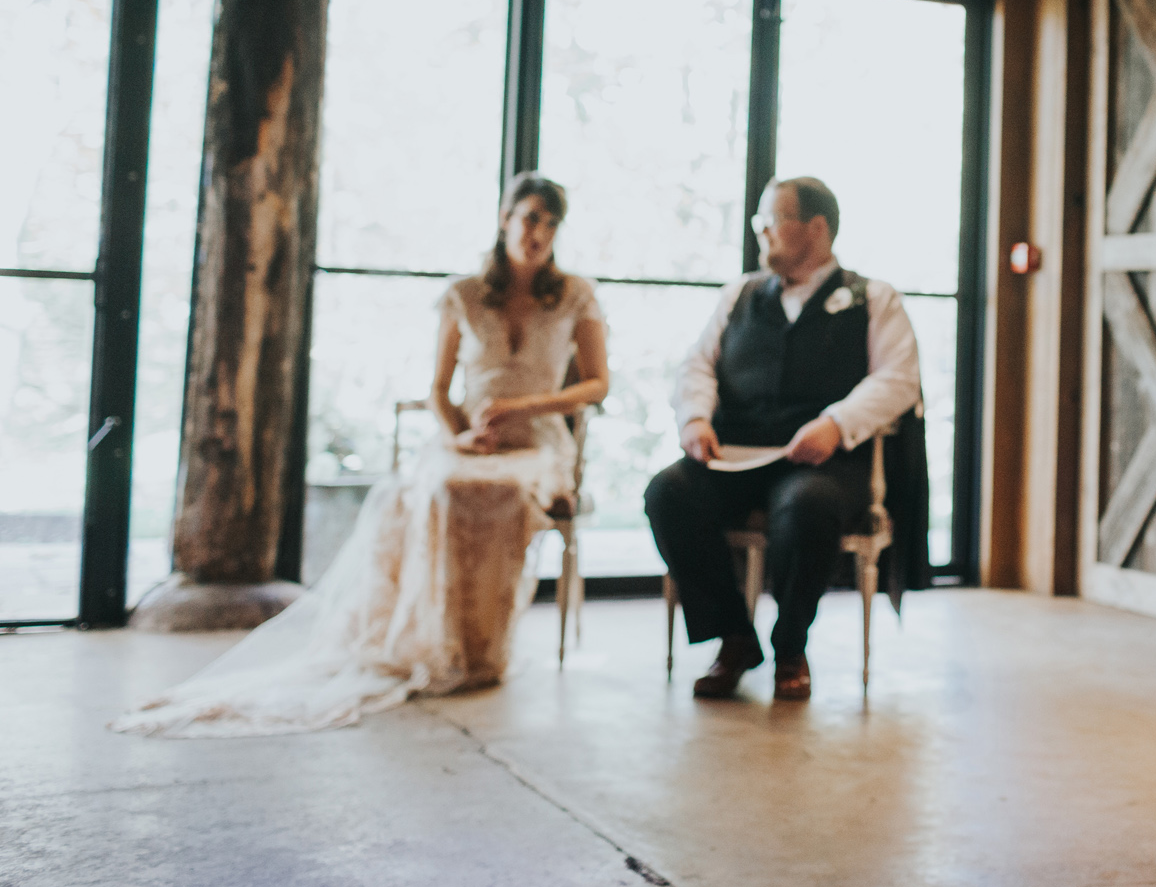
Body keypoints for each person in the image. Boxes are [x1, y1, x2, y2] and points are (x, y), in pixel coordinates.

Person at [113, 173, 608, 737]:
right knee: (434, 489)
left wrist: (528, 406)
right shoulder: (464, 294)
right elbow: (439, 391)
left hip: (539, 441)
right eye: (529, 218)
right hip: (472, 439)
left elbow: (596, 385)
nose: (538, 233)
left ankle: (486, 649)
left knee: (498, 492)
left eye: (549, 223)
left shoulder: (575, 294)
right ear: (505, 219)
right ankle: (437, 640)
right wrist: (458, 437)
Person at [646, 176, 921, 701]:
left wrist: (836, 423)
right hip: (735, 455)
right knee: (668, 493)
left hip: (823, 464)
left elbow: (898, 379)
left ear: (816, 228)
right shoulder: (741, 294)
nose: (761, 233)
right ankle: (733, 638)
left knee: (806, 506)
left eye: (770, 222)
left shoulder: (875, 299)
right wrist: (695, 418)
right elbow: (697, 366)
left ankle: (790, 647)